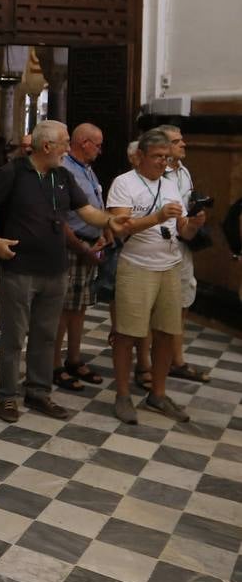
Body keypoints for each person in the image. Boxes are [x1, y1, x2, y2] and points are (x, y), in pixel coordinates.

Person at [0, 120, 129, 423]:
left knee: (45, 336)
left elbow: (86, 212)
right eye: (65, 143)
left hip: (56, 271)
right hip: (19, 270)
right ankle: (7, 397)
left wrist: (109, 222)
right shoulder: (14, 173)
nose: (68, 149)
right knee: (14, 338)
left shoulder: (63, 176)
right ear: (47, 147)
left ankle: (38, 392)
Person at [106, 128, 201, 424]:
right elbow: (120, 228)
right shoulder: (124, 183)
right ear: (140, 157)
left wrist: (194, 225)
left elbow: (182, 230)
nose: (163, 163)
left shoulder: (171, 185)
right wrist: (157, 217)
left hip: (170, 265)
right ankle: (123, 396)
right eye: (158, 157)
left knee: (166, 332)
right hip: (136, 265)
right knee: (126, 334)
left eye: (167, 158)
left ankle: (157, 394)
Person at [53, 123, 111, 391]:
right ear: (84, 143)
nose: (100, 150)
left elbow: (93, 206)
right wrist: (80, 245)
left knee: (79, 306)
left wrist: (101, 235)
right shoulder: (64, 168)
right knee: (63, 308)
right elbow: (61, 216)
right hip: (72, 246)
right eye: (97, 145)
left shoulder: (86, 168)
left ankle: (74, 359)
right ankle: (54, 365)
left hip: (90, 243)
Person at [161, 125, 212, 382]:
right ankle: (152, 362)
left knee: (183, 297)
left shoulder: (184, 172)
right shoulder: (158, 173)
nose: (184, 144)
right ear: (164, 146)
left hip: (184, 242)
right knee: (162, 303)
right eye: (177, 141)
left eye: (182, 140)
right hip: (163, 244)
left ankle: (176, 359)